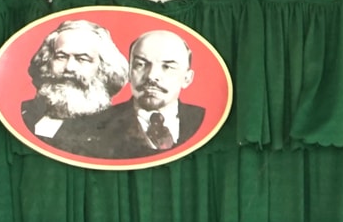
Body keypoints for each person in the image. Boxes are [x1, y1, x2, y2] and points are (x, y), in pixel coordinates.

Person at [54, 28, 206, 160]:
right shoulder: (90, 127)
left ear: (187, 79)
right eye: (141, 64)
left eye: (167, 67)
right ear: (129, 72)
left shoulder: (203, 121)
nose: (151, 76)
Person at [19, 20, 128, 144]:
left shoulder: (117, 129)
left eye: (82, 59)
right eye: (61, 57)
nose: (69, 67)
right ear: (47, 61)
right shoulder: (24, 113)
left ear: (104, 68)